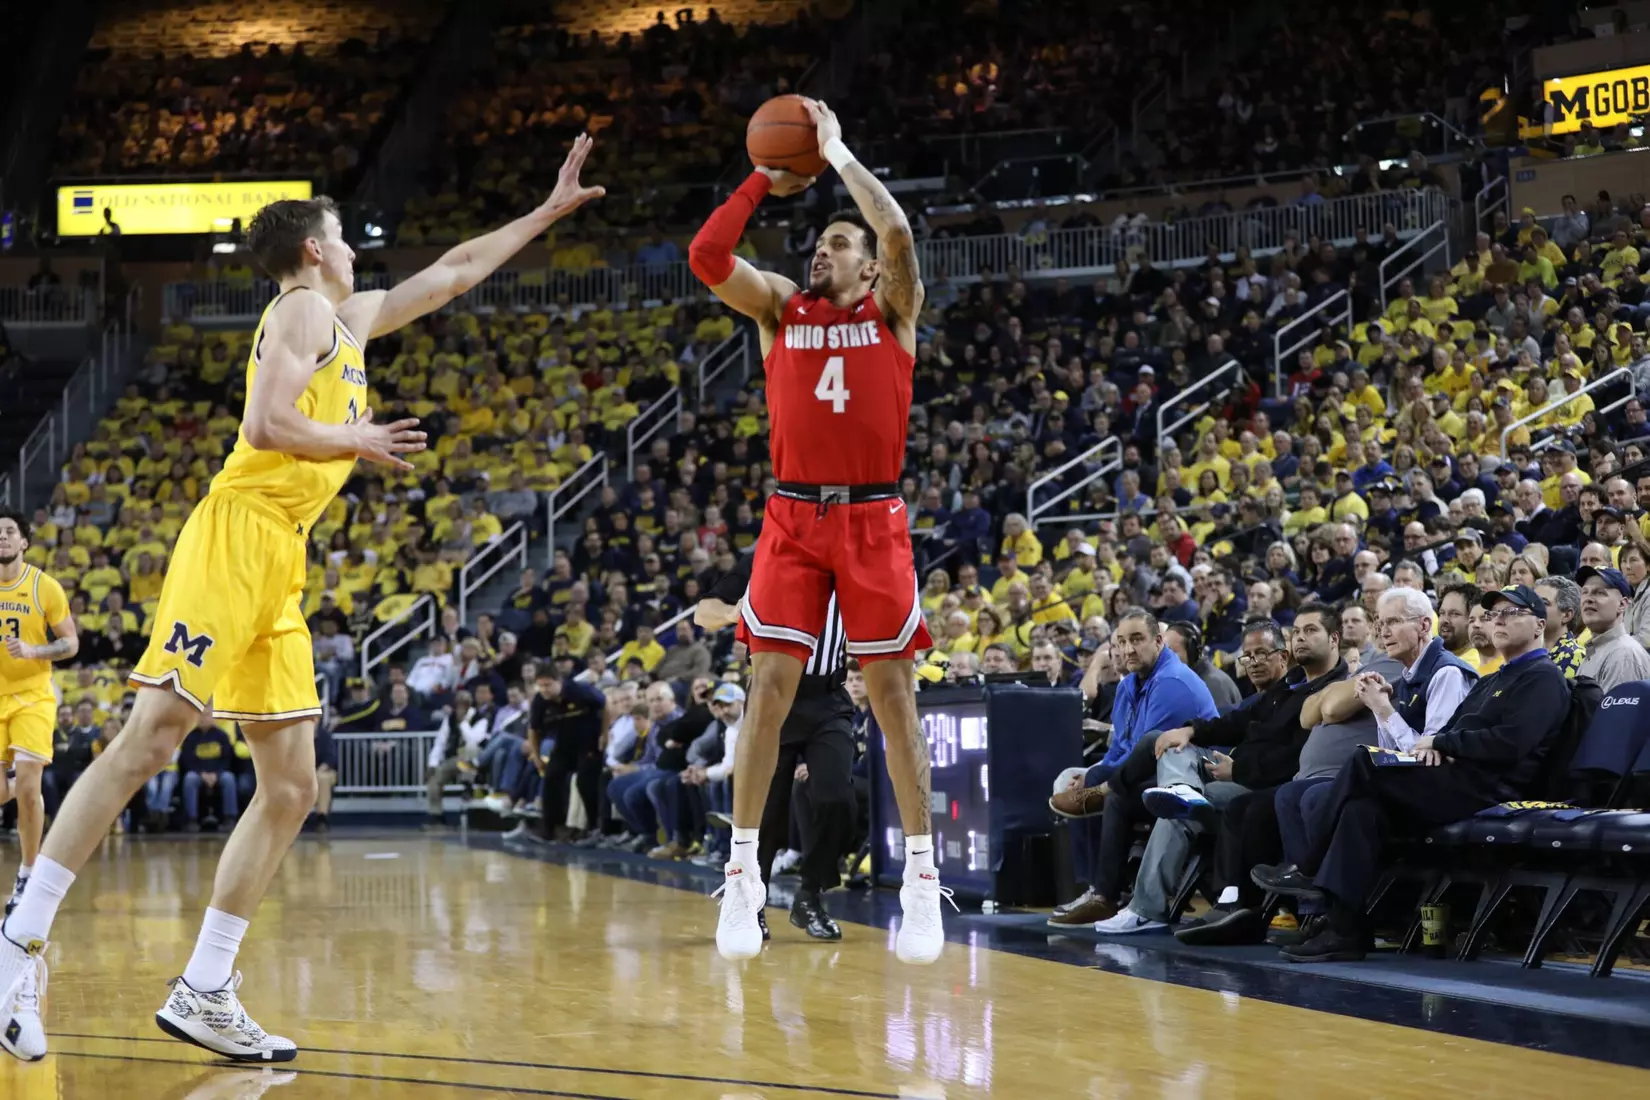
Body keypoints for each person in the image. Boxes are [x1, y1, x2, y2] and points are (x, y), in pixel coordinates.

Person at [0, 137, 605, 1063]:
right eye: (344, 236)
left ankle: (206, 985)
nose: (359, 249)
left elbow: (452, 272)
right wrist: (353, 438)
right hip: (237, 531)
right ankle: (20, 939)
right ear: (314, 249)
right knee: (150, 739)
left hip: (283, 556)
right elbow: (265, 424)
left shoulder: (347, 319)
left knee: (289, 786)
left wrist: (546, 212)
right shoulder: (298, 313)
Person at [689, 100, 943, 963]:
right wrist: (762, 181)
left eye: (841, 244)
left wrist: (836, 155)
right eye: (823, 241)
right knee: (766, 687)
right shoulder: (778, 311)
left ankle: (919, 873)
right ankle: (743, 872)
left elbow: (899, 231)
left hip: (873, 515)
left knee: (892, 692)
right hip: (793, 514)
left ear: (868, 271)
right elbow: (707, 257)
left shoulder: (893, 313)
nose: (824, 249)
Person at [1262, 585, 1572, 962]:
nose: (1498, 622)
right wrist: (1440, 743)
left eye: (1512, 613)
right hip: (1456, 777)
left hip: (1489, 787)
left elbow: (1512, 744)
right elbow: (1451, 732)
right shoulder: (1494, 679)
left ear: (1540, 624)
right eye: (1492, 615)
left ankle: (1308, 867)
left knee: (1364, 762)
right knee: (1361, 810)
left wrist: (1444, 744)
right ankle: (1346, 931)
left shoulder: (1543, 677)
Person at [1098, 608, 1347, 935]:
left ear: (1333, 639)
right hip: (1239, 775)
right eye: (1296, 631)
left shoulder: (1337, 691)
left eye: (1310, 631)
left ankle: (1147, 908)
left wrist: (1239, 769)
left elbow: (1300, 759)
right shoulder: (1291, 685)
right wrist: (1191, 731)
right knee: (1170, 745)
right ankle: (1175, 789)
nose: (1300, 637)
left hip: (1271, 787)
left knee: (1178, 810)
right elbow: (1236, 721)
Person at [695, 555, 858, 941]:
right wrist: (740, 609)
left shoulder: (852, 559)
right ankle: (752, 901)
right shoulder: (763, 560)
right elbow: (704, 612)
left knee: (838, 798)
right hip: (772, 696)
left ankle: (810, 894)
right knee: (767, 812)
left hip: (828, 698)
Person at [1046, 609, 1217, 927]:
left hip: (1189, 777)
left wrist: (1102, 778)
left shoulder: (1173, 683)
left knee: (1117, 796)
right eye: (1121, 642)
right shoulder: (1128, 686)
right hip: (1148, 772)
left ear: (1158, 640)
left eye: (1137, 640)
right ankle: (1098, 888)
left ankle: (1106, 895)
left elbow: (1149, 751)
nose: (1128, 650)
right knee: (1088, 777)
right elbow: (1121, 748)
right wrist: (1094, 772)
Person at [0, 511, 78, 1058]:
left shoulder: (43, 586)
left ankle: (29, 871)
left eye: (8, 530)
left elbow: (70, 644)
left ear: (23, 541)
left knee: (29, 783)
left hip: (32, 697)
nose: (1, 537)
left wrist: (35, 652)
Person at [1576, 567, 1650, 690]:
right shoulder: (1595, 651)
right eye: (1584, 592)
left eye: (1599, 593)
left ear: (1622, 604)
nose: (1588, 599)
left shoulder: (1623, 655)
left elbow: (1617, 710)